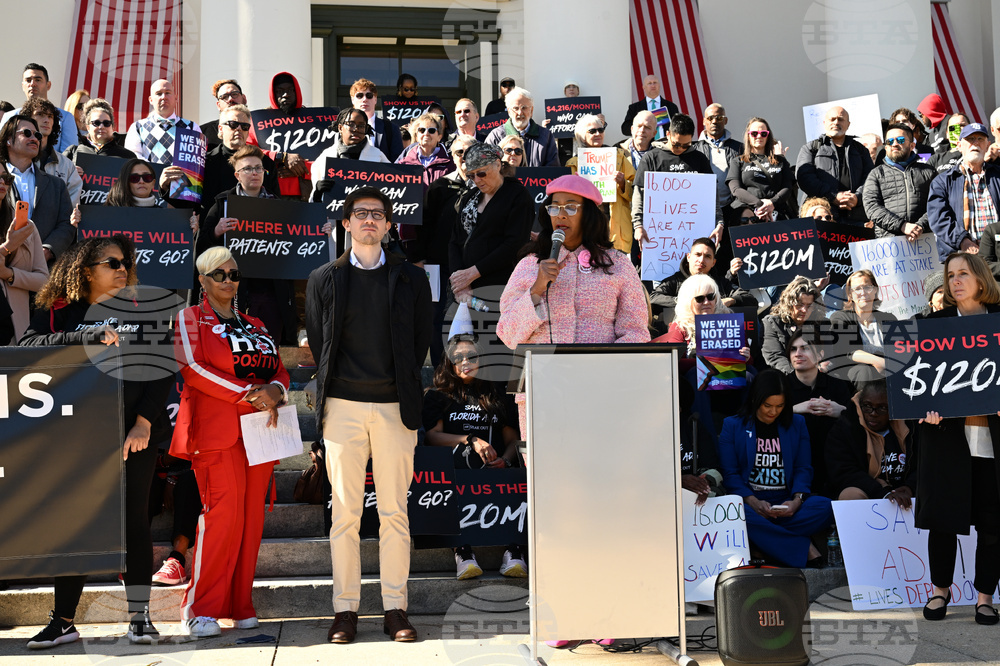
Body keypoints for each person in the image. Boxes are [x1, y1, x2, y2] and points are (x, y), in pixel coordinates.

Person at [21, 234, 172, 647]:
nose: (123, 268)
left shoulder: (143, 310)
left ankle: (140, 618)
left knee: (134, 523)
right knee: (78, 524)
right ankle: (64, 621)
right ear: (86, 270)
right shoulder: (60, 312)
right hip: (76, 436)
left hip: (134, 436)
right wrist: (82, 338)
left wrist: (143, 423)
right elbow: (27, 347)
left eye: (125, 262)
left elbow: (163, 371)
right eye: (112, 263)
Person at [305, 186, 432, 644]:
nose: (369, 221)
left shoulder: (411, 279)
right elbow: (321, 344)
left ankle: (395, 608)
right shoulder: (324, 277)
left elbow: (420, 341)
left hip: (396, 408)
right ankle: (346, 610)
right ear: (346, 223)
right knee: (345, 513)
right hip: (342, 407)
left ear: (388, 224)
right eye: (360, 214)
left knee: (396, 512)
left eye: (378, 214)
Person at [170, 246, 289, 638]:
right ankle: (199, 608)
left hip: (261, 434)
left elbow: (280, 372)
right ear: (201, 280)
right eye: (218, 274)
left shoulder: (255, 323)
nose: (227, 281)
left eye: (233, 274)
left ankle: (240, 604)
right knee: (222, 517)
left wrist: (275, 390)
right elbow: (192, 369)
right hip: (218, 432)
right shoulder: (190, 318)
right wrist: (249, 394)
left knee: (251, 522)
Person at [916, 252, 1000, 625]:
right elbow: (917, 384)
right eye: (950, 276)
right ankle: (940, 591)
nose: (955, 281)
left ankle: (985, 598)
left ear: (981, 279)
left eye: (963, 274)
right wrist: (925, 410)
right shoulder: (934, 324)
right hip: (947, 436)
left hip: (992, 441)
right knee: (943, 519)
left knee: (993, 522)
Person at [497, 174, 650, 347]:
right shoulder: (529, 264)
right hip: (544, 370)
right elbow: (507, 335)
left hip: (600, 371)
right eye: (554, 208)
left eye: (570, 207)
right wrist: (537, 289)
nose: (561, 215)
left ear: (588, 214)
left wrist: (606, 363)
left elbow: (636, 332)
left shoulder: (618, 263)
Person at [423, 333, 525, 579]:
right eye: (458, 357)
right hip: (458, 475)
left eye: (472, 356)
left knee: (522, 466)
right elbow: (432, 437)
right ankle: (463, 552)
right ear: (449, 363)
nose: (465, 361)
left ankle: (514, 552)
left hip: (495, 473)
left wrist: (507, 460)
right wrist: (471, 440)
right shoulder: (438, 396)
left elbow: (512, 441)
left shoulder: (497, 395)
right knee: (460, 456)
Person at [717, 369, 834, 568]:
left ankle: (763, 543)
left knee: (826, 507)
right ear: (755, 400)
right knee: (736, 515)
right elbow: (730, 474)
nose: (773, 411)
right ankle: (803, 547)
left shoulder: (797, 423)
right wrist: (753, 502)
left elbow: (803, 468)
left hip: (786, 502)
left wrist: (796, 501)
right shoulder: (732, 425)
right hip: (751, 502)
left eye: (780, 406)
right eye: (767, 405)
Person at [201, 145, 295, 344]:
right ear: (237, 175)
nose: (255, 173)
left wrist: (319, 232)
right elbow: (203, 243)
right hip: (234, 291)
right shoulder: (222, 204)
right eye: (248, 169)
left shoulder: (280, 206)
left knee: (269, 348)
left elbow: (295, 244)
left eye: (259, 168)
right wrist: (217, 231)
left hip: (271, 292)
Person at [412, 134, 476, 364]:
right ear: (452, 156)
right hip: (439, 265)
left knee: (474, 318)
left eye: (470, 152)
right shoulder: (439, 186)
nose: (465, 157)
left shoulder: (487, 186)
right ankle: (441, 373)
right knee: (438, 319)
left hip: (475, 267)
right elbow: (424, 226)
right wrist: (420, 258)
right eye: (459, 153)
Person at [449, 142, 534, 302]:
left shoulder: (517, 196)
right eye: (471, 175)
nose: (477, 180)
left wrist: (473, 273)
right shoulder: (470, 196)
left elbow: (514, 244)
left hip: (498, 288)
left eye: (481, 173)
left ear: (497, 165)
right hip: (465, 291)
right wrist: (460, 280)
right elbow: (455, 240)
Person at [632, 114, 718, 248]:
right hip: (657, 233)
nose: (681, 149)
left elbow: (712, 195)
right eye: (676, 144)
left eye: (686, 145)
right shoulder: (651, 158)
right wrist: (638, 225)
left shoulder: (700, 159)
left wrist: (720, 223)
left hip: (694, 230)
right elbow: (639, 194)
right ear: (668, 134)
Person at [825, 380, 915, 505]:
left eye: (882, 408)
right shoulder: (845, 428)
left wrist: (910, 487)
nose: (873, 414)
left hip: (906, 491)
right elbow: (845, 472)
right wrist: (883, 493)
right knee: (850, 495)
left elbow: (925, 463)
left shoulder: (910, 426)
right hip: (870, 490)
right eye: (867, 406)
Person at [785, 329, 851, 497]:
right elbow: (761, 418)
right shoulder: (780, 386)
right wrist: (795, 409)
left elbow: (858, 423)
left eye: (805, 348)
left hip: (834, 464)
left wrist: (841, 411)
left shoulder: (838, 385)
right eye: (793, 349)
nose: (798, 354)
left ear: (820, 355)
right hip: (791, 463)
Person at [0, 115, 74, 260]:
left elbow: (66, 224)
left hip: (43, 271)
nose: (34, 139)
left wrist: (47, 250)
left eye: (37, 135)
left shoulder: (57, 185)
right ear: (8, 140)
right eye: (27, 133)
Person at [184, 104, 279, 211]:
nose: (239, 129)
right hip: (212, 224)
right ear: (220, 129)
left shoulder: (265, 163)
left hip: (253, 223)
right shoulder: (204, 162)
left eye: (244, 126)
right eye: (233, 124)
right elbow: (190, 199)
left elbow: (275, 204)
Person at [928, 123, 1000, 262]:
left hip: (998, 258)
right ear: (959, 146)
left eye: (980, 139)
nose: (975, 143)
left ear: (987, 145)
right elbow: (938, 218)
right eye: (970, 139)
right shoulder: (942, 181)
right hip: (961, 257)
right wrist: (963, 241)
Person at [566, 114, 636, 255]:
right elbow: (567, 199)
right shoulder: (573, 163)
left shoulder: (620, 157)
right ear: (581, 135)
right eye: (592, 131)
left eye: (601, 130)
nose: (598, 134)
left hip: (616, 229)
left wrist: (623, 183)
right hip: (586, 225)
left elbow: (636, 192)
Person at [658, 273, 750, 374]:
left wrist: (745, 358)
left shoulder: (729, 323)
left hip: (729, 377)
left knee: (750, 373)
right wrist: (710, 363)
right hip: (698, 381)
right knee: (694, 373)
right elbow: (675, 361)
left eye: (710, 297)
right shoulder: (680, 326)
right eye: (699, 299)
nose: (706, 302)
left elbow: (750, 362)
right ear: (688, 301)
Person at [795, 106, 874, 223]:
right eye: (832, 119)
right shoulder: (811, 148)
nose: (836, 122)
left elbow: (870, 179)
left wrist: (857, 198)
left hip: (856, 218)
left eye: (840, 119)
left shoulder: (861, 150)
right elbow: (804, 178)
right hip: (822, 218)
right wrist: (833, 196)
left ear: (848, 124)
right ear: (824, 123)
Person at [862, 123, 936, 240]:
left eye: (900, 140)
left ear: (912, 145)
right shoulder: (876, 174)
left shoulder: (928, 172)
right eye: (889, 141)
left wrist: (920, 226)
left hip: (924, 242)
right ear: (886, 147)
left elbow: (937, 203)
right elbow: (871, 207)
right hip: (889, 245)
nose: (895, 144)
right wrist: (902, 226)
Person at [649, 237, 754, 317]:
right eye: (698, 254)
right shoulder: (674, 281)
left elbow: (749, 299)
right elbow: (653, 298)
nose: (701, 260)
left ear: (713, 262)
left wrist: (731, 300)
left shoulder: (720, 283)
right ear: (689, 257)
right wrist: (688, 301)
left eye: (707, 256)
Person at [0, 163, 47, 343]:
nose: (2, 182)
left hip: (15, 329)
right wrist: (8, 247)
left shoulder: (27, 227)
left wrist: (10, 275)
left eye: (6, 178)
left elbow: (44, 281)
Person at [827, 269, 897, 386]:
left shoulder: (888, 319)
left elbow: (898, 349)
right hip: (856, 375)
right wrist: (878, 361)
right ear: (850, 295)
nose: (863, 292)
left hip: (887, 372)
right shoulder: (841, 318)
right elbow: (846, 351)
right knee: (864, 370)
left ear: (875, 290)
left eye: (867, 287)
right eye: (857, 289)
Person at [251, 72, 310, 199]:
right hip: (269, 193)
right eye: (280, 91)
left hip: (305, 195)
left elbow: (326, 157)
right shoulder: (259, 121)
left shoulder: (313, 121)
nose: (286, 95)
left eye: (290, 90)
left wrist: (301, 169)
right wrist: (280, 156)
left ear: (297, 92)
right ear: (273, 93)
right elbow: (249, 151)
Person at [728, 117, 795, 221]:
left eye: (763, 133)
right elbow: (735, 189)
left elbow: (788, 187)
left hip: (777, 214)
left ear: (768, 136)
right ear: (748, 136)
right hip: (749, 217)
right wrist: (760, 204)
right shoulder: (738, 161)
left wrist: (772, 203)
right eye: (754, 133)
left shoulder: (780, 161)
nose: (759, 136)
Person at [0, 64, 78, 153]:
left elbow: (69, 154)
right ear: (23, 86)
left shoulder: (65, 117)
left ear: (48, 85)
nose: (32, 84)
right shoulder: (9, 116)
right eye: (28, 80)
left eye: (37, 80)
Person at [124, 79, 201, 165]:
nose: (163, 97)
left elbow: (195, 163)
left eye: (167, 93)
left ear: (176, 98)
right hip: (151, 178)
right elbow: (132, 158)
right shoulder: (137, 127)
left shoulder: (192, 127)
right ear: (151, 100)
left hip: (180, 178)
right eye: (159, 94)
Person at [23, 97, 82, 206]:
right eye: (40, 114)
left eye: (50, 116)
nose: (46, 120)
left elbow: (71, 207)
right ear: (27, 119)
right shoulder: (15, 159)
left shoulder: (66, 165)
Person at [484, 87, 559, 168]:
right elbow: (487, 168)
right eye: (516, 108)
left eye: (524, 108)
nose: (520, 113)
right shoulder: (496, 136)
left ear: (531, 110)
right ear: (509, 111)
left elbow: (553, 170)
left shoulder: (545, 136)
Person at [761, 277, 822, 374]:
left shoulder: (820, 324)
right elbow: (775, 357)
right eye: (799, 305)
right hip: (785, 377)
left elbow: (829, 354)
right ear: (789, 303)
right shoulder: (772, 322)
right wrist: (797, 376)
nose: (804, 310)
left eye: (809, 306)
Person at [695, 103, 742, 223]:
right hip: (702, 209)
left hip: (732, 207)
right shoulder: (694, 148)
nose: (714, 121)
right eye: (710, 118)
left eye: (719, 118)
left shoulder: (740, 148)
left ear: (725, 120)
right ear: (704, 121)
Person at [64, 98, 136, 160]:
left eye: (106, 123)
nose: (101, 126)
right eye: (96, 123)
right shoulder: (72, 152)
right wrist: (71, 171)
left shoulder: (127, 156)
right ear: (88, 127)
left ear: (112, 127)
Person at [350, 78, 404, 162]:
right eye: (359, 95)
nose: (364, 99)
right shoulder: (344, 128)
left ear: (375, 99)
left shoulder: (391, 129)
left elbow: (397, 163)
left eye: (369, 96)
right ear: (352, 99)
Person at [621, 74, 679, 139]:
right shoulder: (634, 108)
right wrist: (643, 123)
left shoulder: (671, 107)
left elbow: (679, 128)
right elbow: (625, 129)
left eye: (655, 83)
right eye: (649, 83)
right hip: (644, 146)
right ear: (644, 87)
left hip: (666, 145)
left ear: (659, 85)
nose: (653, 85)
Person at [202, 79, 247, 150]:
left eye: (234, 94)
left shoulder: (259, 127)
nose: (230, 99)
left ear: (244, 99)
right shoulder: (203, 133)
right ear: (218, 105)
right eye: (224, 97)